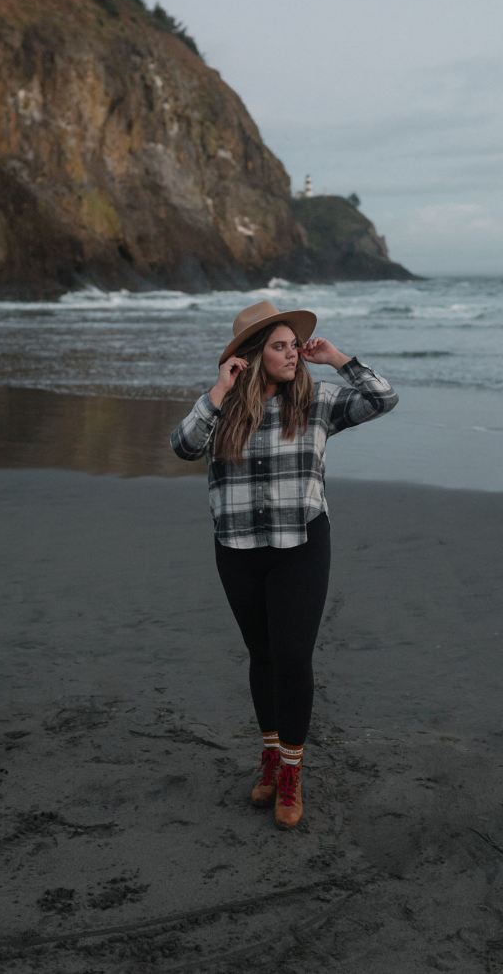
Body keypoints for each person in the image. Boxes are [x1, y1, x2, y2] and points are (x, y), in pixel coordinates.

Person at [170, 300, 398, 829]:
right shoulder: (222, 409)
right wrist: (219, 390)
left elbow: (383, 398)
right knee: (263, 654)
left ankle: (291, 773)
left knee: (293, 657)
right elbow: (182, 446)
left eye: (295, 344)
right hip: (239, 548)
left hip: (301, 544)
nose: (293, 353)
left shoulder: (317, 401)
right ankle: (270, 758)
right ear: (251, 356)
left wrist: (337, 357)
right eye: (280, 346)